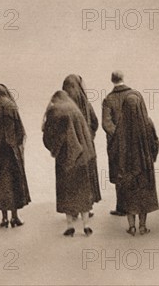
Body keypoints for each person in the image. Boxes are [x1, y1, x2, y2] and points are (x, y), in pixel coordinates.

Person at [43, 91, 96, 237]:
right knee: (83, 191)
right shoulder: (75, 110)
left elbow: (48, 136)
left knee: (66, 192)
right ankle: (86, 225)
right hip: (82, 158)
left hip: (65, 159)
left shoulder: (55, 110)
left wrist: (53, 149)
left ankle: (70, 226)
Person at [0, 84, 31, 228]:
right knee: (14, 183)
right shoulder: (11, 107)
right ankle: (15, 217)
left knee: (0, 184)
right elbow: (20, 131)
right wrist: (17, 144)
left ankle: (4, 218)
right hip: (12, 151)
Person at [111, 91, 159, 236]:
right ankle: (143, 226)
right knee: (143, 197)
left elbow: (114, 148)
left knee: (129, 197)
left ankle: (131, 227)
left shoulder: (120, 126)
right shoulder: (147, 123)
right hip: (144, 167)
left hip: (126, 168)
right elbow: (155, 143)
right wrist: (152, 158)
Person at [62, 75, 102, 210]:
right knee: (87, 178)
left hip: (69, 149)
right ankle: (87, 207)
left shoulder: (63, 107)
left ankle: (73, 209)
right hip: (87, 147)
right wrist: (89, 136)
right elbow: (95, 123)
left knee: (71, 179)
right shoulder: (86, 104)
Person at [102, 71, 135, 216]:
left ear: (112, 80)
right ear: (123, 78)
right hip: (133, 141)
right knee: (133, 171)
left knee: (119, 173)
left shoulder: (109, 99)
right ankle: (134, 205)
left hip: (116, 144)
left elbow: (106, 123)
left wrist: (118, 135)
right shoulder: (134, 95)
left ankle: (121, 207)